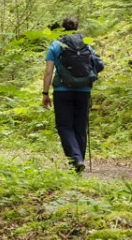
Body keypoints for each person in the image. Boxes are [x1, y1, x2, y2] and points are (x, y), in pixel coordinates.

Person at [42, 16, 103, 172]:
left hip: (63, 91)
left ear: (62, 28)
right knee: (80, 126)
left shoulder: (56, 45)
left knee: (64, 126)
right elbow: (97, 65)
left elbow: (48, 71)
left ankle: (75, 159)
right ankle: (79, 160)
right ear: (76, 28)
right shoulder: (87, 44)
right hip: (84, 90)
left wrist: (45, 93)